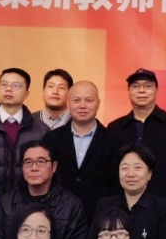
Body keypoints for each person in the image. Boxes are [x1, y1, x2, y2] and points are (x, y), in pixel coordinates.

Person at [104, 68, 166, 226]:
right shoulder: (115, 128)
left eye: (147, 86)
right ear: (128, 91)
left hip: (164, 208)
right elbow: (111, 172)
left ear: (156, 90)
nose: (141, 90)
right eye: (135, 86)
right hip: (123, 209)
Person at [0, 139, 88, 239]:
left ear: (54, 166)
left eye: (41, 162)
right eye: (28, 162)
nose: (34, 168)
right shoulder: (6, 202)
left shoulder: (71, 206)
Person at [95, 144, 166, 239]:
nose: (130, 174)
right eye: (124, 168)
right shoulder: (105, 206)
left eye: (138, 168)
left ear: (149, 174)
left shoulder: (163, 208)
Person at [42, 79, 115, 216]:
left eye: (89, 100)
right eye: (76, 100)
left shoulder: (113, 140)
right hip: (58, 215)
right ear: (68, 103)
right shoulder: (51, 138)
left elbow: (115, 184)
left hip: (99, 216)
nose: (82, 106)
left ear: (98, 103)